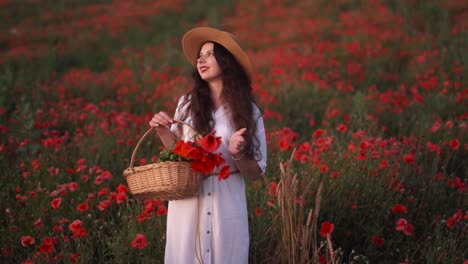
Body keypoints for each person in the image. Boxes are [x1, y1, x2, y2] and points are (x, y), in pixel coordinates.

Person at [148, 27, 267, 264]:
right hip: (187, 202)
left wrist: (239, 153)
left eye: (210, 54)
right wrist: (163, 132)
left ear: (227, 62)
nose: (201, 59)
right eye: (199, 55)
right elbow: (178, 153)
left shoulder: (248, 111)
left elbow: (256, 172)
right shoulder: (186, 105)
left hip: (227, 204)